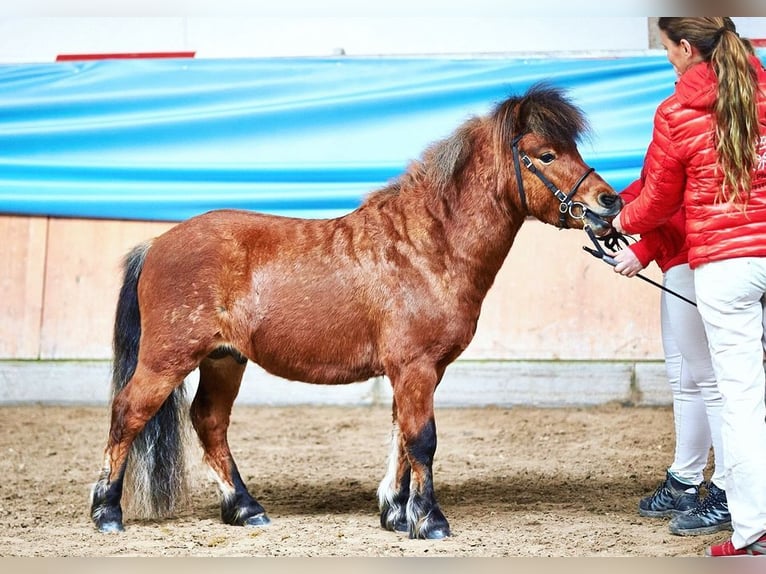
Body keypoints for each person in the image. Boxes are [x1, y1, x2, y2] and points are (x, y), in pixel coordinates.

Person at [613, 17, 766, 557]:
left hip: (727, 264)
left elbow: (657, 200)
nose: (669, 61)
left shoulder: (677, 112)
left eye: (668, 51)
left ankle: (752, 530)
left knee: (740, 398)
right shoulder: (763, 88)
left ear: (684, 47)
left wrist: (621, 222)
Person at [612, 177, 728, 537]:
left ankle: (727, 487)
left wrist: (641, 245)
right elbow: (653, 182)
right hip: (680, 260)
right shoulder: (672, 128)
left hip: (695, 257)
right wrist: (615, 204)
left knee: (711, 381)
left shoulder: (685, 124)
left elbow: (675, 197)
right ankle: (684, 481)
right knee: (687, 381)